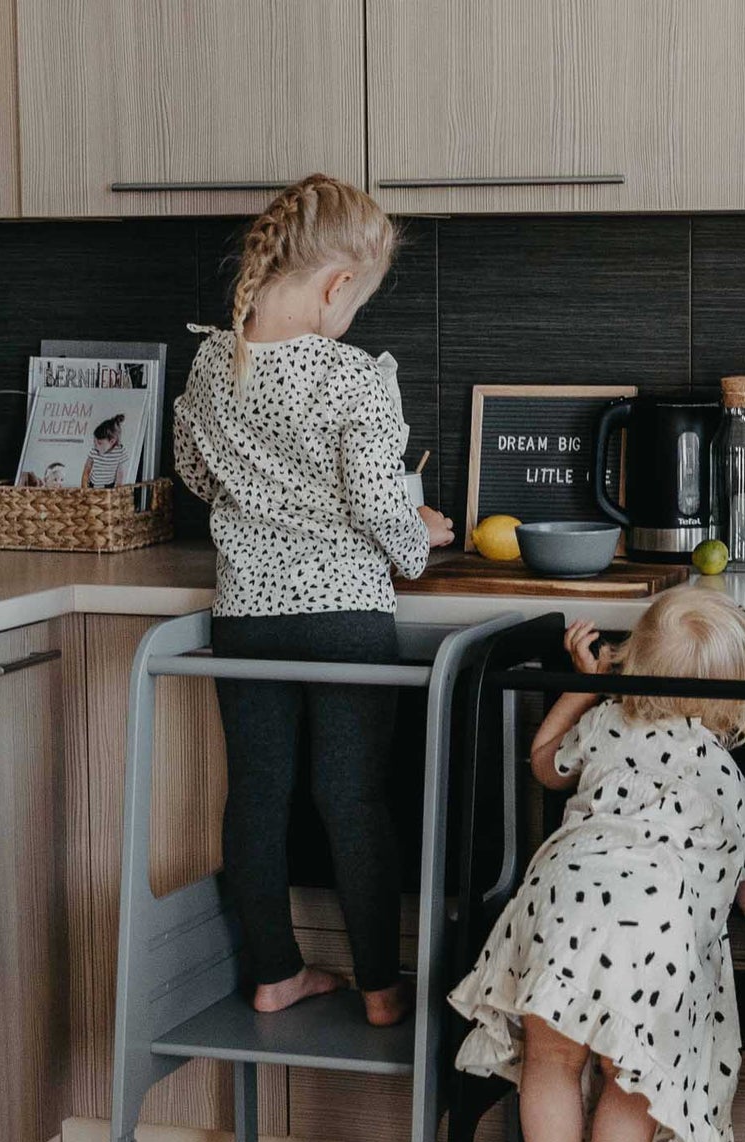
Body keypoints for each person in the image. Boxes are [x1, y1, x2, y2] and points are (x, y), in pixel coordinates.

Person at [174, 174, 453, 1028]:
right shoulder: (354, 379)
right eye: (356, 302)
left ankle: (273, 973)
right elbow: (378, 507)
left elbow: (193, 472)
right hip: (344, 614)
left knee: (258, 792)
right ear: (338, 285)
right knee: (351, 796)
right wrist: (421, 538)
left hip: (246, 614)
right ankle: (379, 988)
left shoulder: (214, 360)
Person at [449, 587, 745, 1142]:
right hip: (650, 934)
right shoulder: (726, 780)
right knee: (630, 1079)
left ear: (635, 659)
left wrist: (582, 686)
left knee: (551, 1058)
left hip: (562, 904)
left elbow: (544, 764)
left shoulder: (607, 722)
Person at [81, 414, 129, 488]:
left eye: (99, 443)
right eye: (94, 442)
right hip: (93, 485)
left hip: (109, 486)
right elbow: (86, 470)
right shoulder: (94, 451)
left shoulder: (119, 452)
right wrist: (84, 487)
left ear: (112, 441)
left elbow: (120, 473)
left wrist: (118, 488)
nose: (96, 445)